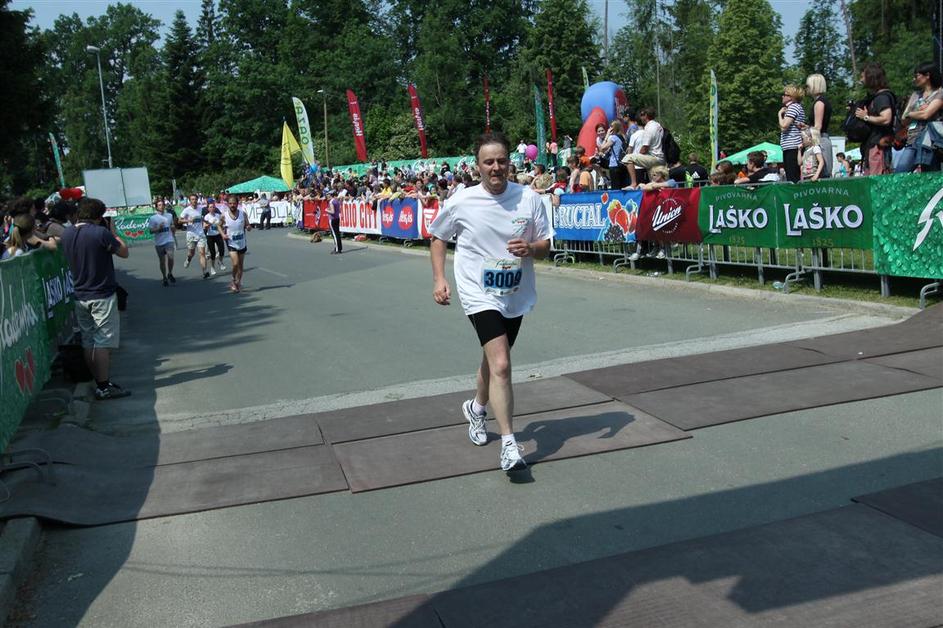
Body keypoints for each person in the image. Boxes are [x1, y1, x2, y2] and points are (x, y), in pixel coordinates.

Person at [428, 132, 552, 473]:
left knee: (494, 361)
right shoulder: (463, 200)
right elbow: (438, 237)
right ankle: (510, 445)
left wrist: (531, 249)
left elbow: (545, 245)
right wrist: (439, 279)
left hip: (515, 292)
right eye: (488, 162)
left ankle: (476, 408)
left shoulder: (528, 198)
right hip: (477, 291)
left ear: (509, 163)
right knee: (502, 363)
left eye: (501, 161)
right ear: (478, 166)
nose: (496, 167)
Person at [60, 197, 130, 400]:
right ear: (99, 216)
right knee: (102, 341)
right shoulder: (100, 233)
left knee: (88, 339)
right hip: (101, 293)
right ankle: (103, 385)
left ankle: (97, 379)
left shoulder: (67, 233)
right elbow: (124, 252)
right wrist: (113, 233)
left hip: (79, 293)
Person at [897, 62, 943, 173]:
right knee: (900, 172)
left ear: (927, 75)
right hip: (912, 139)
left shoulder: (939, 93)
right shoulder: (915, 95)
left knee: (930, 176)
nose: (914, 79)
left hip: (930, 142)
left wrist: (911, 113)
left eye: (917, 75)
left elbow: (926, 114)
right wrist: (915, 113)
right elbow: (903, 119)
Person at [854, 62, 896, 175]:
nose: (861, 80)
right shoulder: (877, 97)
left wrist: (865, 117)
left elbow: (886, 119)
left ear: (871, 77)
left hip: (879, 145)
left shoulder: (882, 97)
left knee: (876, 177)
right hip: (872, 144)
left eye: (863, 76)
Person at [621, 107, 666, 188]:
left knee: (627, 158)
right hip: (661, 157)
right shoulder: (658, 125)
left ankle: (633, 183)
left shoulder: (649, 128)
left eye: (642, 115)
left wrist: (638, 156)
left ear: (646, 116)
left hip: (654, 158)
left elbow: (645, 148)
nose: (640, 117)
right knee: (655, 184)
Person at [805, 74, 833, 178]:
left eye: (808, 86)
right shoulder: (821, 101)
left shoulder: (819, 103)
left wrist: (813, 146)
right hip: (822, 138)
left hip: (820, 140)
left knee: (821, 173)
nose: (806, 88)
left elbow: (817, 127)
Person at [222, 194, 250, 292]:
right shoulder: (224, 215)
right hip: (231, 243)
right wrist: (223, 234)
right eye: (230, 203)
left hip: (241, 242)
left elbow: (248, 225)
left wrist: (248, 227)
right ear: (227, 204)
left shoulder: (243, 214)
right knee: (235, 264)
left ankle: (238, 282)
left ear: (237, 204)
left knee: (240, 265)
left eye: (234, 203)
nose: (232, 205)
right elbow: (218, 225)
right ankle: (233, 280)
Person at [778, 84, 806, 182]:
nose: (782, 96)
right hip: (789, 146)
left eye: (785, 94)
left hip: (793, 146)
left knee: (793, 178)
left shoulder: (793, 107)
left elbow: (784, 126)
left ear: (791, 97)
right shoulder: (794, 107)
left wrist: (779, 114)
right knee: (791, 176)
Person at [147, 199, 176, 286]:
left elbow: (172, 225)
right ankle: (164, 277)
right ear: (156, 207)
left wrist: (173, 228)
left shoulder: (169, 215)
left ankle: (170, 273)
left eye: (163, 205)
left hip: (169, 240)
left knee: (171, 257)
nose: (162, 206)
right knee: (162, 261)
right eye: (159, 205)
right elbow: (151, 231)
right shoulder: (153, 218)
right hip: (159, 242)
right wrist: (158, 228)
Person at [180, 194, 209, 278]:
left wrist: (206, 223)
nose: (194, 201)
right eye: (192, 199)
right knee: (191, 253)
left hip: (200, 234)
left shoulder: (201, 209)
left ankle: (204, 272)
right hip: (191, 234)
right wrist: (188, 220)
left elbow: (203, 218)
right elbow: (179, 220)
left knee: (202, 253)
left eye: (195, 199)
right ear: (190, 201)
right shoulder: (186, 210)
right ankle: (188, 259)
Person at [595, 119, 628, 190]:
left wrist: (607, 136)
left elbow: (602, 148)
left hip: (614, 165)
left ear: (614, 128)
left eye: (611, 127)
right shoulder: (623, 137)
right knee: (623, 187)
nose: (609, 128)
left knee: (615, 188)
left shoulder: (613, 138)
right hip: (623, 164)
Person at [202, 199, 226, 273]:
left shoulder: (218, 215)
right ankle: (212, 267)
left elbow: (222, 224)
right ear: (208, 209)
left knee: (222, 250)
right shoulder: (207, 217)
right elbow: (204, 227)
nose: (212, 208)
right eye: (210, 207)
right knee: (212, 253)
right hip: (210, 236)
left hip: (218, 234)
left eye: (213, 207)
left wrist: (222, 221)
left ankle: (220, 262)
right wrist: (209, 224)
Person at [325, 188, 342, 254]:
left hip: (332, 219)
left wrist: (326, 210)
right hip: (337, 218)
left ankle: (337, 249)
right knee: (337, 234)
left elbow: (332, 211)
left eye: (329, 195)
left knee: (335, 235)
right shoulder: (336, 201)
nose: (328, 196)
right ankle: (339, 248)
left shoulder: (331, 202)